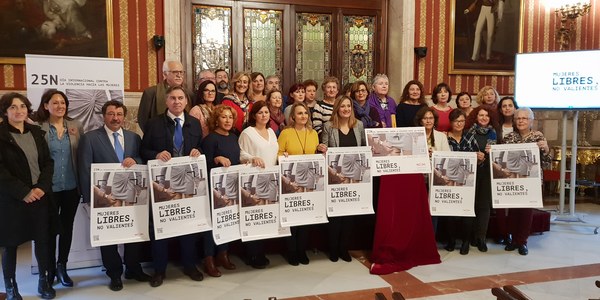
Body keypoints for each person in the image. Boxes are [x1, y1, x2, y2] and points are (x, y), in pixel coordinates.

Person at [78, 100, 151, 291]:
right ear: (104, 116)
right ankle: (114, 273)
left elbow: (142, 159)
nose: (115, 117)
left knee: (133, 233)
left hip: (130, 195)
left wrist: (134, 159)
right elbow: (85, 169)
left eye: (119, 114)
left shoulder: (134, 137)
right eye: (111, 114)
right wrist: (89, 199)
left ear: (124, 117)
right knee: (108, 236)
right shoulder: (91, 138)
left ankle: (133, 268)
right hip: (103, 198)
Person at [370, 80, 440, 275]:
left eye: (418, 89)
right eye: (412, 89)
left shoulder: (426, 112)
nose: (415, 92)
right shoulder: (398, 106)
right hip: (399, 157)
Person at [140, 86, 204, 287]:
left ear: (186, 102)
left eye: (180, 98)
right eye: (173, 98)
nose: (177, 102)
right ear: (167, 101)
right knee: (161, 227)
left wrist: (197, 151)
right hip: (163, 186)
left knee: (188, 225)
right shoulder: (153, 124)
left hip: (188, 184)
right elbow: (144, 150)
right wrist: (156, 155)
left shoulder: (194, 123)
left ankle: (189, 265)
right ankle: (159, 270)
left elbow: (201, 147)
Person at [0, 92, 56, 299]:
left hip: (39, 196)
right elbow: (1, 171)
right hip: (12, 200)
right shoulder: (1, 135)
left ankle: (43, 282)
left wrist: (41, 187)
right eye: (13, 107)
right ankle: (11, 288)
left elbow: (48, 163)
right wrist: (23, 192)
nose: (19, 111)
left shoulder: (36, 132)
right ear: (5, 111)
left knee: (42, 240)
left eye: (22, 106)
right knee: (10, 244)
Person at [33, 89, 83, 288]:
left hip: (71, 186)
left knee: (66, 228)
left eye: (63, 102)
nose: (60, 106)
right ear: (46, 106)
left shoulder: (76, 126)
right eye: (55, 103)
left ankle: (62, 266)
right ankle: (48, 269)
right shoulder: (38, 127)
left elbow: (83, 154)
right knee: (47, 230)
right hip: (47, 189)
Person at [278, 102, 327, 265]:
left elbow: (314, 153)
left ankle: (301, 250)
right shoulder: (286, 133)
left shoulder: (313, 133)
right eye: (299, 113)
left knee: (306, 217)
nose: (303, 116)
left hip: (308, 180)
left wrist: (320, 149)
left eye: (305, 113)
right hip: (291, 180)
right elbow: (278, 152)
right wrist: (282, 154)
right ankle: (292, 251)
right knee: (293, 217)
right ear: (293, 116)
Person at [320, 96, 365, 262]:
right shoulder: (328, 126)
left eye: (349, 106)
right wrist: (321, 148)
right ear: (337, 108)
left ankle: (343, 248)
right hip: (335, 179)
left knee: (349, 216)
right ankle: (333, 249)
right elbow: (323, 148)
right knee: (335, 216)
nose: (346, 109)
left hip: (354, 178)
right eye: (343, 106)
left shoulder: (359, 125)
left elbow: (364, 149)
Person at [501, 107, 551, 256]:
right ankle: (513, 240)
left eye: (524, 118)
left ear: (531, 121)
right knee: (514, 210)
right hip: (513, 180)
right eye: (518, 118)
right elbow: (502, 158)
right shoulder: (509, 138)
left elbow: (546, 162)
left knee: (526, 211)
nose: (521, 121)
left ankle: (522, 241)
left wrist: (547, 149)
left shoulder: (538, 137)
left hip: (531, 181)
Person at [239, 101, 280, 269]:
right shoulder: (248, 133)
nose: (264, 115)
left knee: (266, 216)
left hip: (270, 179)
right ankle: (251, 254)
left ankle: (261, 251)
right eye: (260, 112)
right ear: (254, 115)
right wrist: (251, 158)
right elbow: (241, 153)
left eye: (266, 112)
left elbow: (274, 152)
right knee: (254, 216)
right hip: (253, 180)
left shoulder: (271, 132)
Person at [201, 105, 239, 277]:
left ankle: (223, 254)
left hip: (229, 188)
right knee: (212, 224)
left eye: (230, 117)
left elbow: (235, 162)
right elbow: (204, 165)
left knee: (227, 221)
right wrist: (216, 158)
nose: (228, 120)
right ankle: (208, 258)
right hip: (211, 190)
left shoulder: (233, 137)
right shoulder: (210, 139)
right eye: (224, 117)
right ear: (216, 119)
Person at [445, 109, 479, 254]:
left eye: (462, 121)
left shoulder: (470, 137)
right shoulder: (445, 138)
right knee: (451, 212)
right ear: (451, 122)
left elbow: (478, 156)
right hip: (451, 180)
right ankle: (451, 240)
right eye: (456, 121)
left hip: (467, 180)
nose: (459, 124)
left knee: (467, 211)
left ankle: (465, 242)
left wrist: (480, 156)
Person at [464, 106, 499, 253]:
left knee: (484, 207)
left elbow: (500, 156)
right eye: (481, 115)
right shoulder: (468, 133)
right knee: (470, 205)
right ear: (475, 117)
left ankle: (481, 238)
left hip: (487, 173)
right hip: (470, 173)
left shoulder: (494, 134)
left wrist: (494, 152)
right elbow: (463, 152)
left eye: (486, 115)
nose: (484, 118)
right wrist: (474, 156)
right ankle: (469, 237)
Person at [138, 60, 194, 132]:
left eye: (181, 72)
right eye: (175, 72)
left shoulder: (189, 94)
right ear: (165, 74)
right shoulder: (151, 93)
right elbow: (143, 119)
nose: (179, 75)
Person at [493, 96, 518, 245]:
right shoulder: (496, 126)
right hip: (500, 168)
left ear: (514, 108)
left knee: (515, 203)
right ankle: (503, 233)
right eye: (504, 106)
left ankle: (513, 232)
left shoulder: (521, 124)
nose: (507, 108)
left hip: (516, 169)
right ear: (500, 109)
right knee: (501, 204)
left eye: (510, 105)